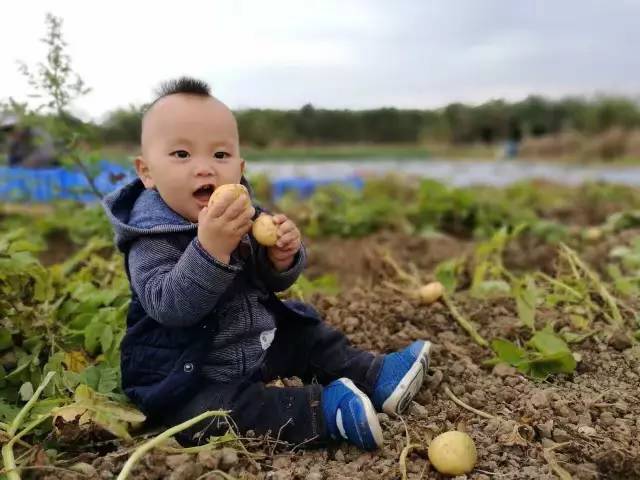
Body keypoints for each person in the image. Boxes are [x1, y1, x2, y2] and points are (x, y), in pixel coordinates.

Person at [102, 77, 432, 450]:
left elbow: (269, 282)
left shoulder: (241, 214)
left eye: (220, 155)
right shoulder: (150, 238)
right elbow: (170, 306)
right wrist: (210, 250)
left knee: (305, 334)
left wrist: (281, 257)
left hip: (254, 344)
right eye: (182, 155)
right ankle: (325, 415)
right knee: (215, 415)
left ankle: (374, 377)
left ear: (240, 167)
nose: (205, 168)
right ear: (146, 171)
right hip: (190, 374)